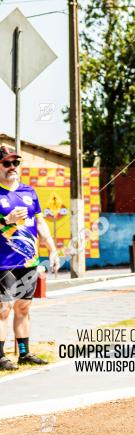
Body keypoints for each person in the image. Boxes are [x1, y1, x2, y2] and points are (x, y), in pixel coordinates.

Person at [0, 145, 60, 370]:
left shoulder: (29, 192)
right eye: (7, 163)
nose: (12, 167)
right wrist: (7, 220)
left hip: (28, 261)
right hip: (2, 261)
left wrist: (51, 249)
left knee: (23, 308)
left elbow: (40, 223)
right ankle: (0, 357)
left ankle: (24, 354)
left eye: (16, 163)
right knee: (3, 308)